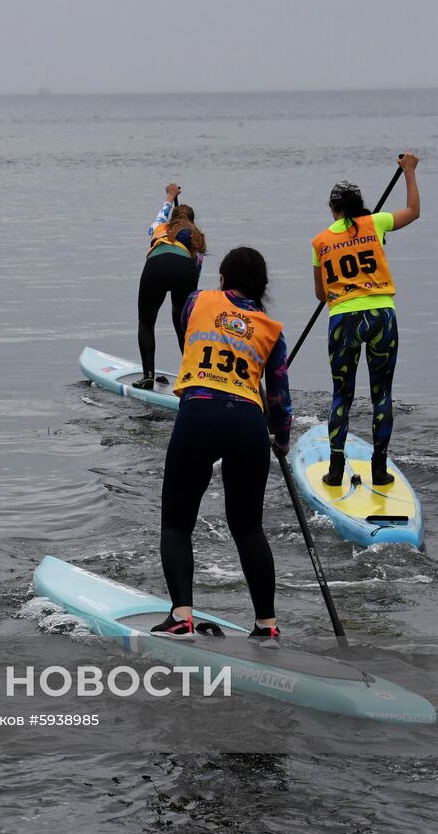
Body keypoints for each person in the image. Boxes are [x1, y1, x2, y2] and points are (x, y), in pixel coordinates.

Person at [152, 247, 291, 641]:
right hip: (248, 421)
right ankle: (266, 625)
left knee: (177, 524)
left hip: (200, 412)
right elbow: (280, 398)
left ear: (223, 280)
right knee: (248, 528)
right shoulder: (271, 330)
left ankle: (181, 617)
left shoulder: (198, 301)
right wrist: (281, 439)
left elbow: (187, 326)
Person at [313, 152, 420, 486]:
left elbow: (322, 295)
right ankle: (379, 469)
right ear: (359, 205)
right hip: (381, 317)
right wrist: (409, 172)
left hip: (343, 319)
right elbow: (414, 212)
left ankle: (334, 470)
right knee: (381, 394)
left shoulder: (319, 242)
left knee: (341, 395)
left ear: (333, 208)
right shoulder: (376, 224)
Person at [135, 182, 207, 390]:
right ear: (191, 222)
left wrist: (170, 196)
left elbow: (162, 213)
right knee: (182, 324)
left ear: (172, 219)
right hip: (185, 269)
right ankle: (191, 377)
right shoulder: (196, 238)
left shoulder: (159, 228)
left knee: (146, 322)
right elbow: (196, 272)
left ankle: (148, 376)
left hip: (156, 265)